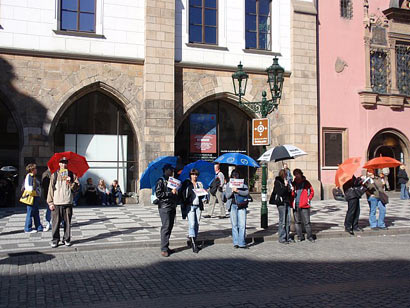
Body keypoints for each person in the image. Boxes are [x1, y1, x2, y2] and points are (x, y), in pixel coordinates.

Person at [47, 157, 80, 248]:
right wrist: (50, 202)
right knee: (55, 223)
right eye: (62, 162)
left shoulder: (72, 174)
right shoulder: (55, 175)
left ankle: (66, 239)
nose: (64, 164)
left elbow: (76, 189)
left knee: (67, 222)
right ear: (59, 164)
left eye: (65, 162)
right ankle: (55, 240)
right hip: (57, 202)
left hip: (68, 202)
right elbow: (50, 189)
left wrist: (70, 182)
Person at [155, 164, 178, 257]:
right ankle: (164, 249)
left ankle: (166, 246)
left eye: (172, 169)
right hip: (164, 206)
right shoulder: (161, 180)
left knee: (170, 226)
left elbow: (174, 194)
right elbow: (158, 194)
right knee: (166, 226)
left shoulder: (172, 181)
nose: (172, 171)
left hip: (172, 205)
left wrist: (176, 192)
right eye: (170, 169)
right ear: (166, 170)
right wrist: (169, 193)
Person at [181, 168, 205, 253]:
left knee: (197, 224)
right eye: (193, 174)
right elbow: (184, 195)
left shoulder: (199, 184)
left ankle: (193, 240)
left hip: (198, 206)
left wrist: (204, 194)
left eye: (196, 174)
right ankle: (194, 245)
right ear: (190, 175)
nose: (194, 176)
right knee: (192, 223)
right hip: (190, 206)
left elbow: (203, 196)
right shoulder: (187, 183)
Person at [225, 169, 249, 249]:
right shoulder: (229, 184)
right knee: (234, 225)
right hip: (233, 206)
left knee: (242, 225)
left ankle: (241, 242)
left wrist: (238, 191)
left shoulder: (243, 183)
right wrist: (232, 191)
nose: (235, 176)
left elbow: (246, 193)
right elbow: (227, 196)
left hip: (241, 205)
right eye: (234, 174)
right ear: (231, 176)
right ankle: (236, 242)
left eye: (237, 174)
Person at [291, 168, 315, 242]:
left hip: (304, 204)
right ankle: (300, 236)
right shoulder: (293, 183)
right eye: (295, 174)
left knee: (307, 221)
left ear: (301, 174)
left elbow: (312, 191)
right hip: (296, 204)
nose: (296, 176)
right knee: (297, 222)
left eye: (298, 174)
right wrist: (292, 191)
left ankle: (309, 236)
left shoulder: (306, 183)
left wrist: (308, 199)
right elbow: (291, 194)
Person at [270, 169, 292, 244]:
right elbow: (280, 192)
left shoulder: (286, 182)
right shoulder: (277, 182)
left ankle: (287, 236)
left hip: (287, 202)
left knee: (288, 220)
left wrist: (289, 188)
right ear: (283, 175)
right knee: (282, 220)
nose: (287, 176)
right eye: (286, 174)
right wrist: (285, 186)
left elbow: (287, 193)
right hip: (281, 203)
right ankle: (282, 237)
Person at [23, 163, 43, 233]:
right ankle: (28, 228)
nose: (36, 170)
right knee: (30, 212)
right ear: (32, 169)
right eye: (35, 168)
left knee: (35, 212)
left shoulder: (33, 176)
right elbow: (29, 187)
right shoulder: (30, 176)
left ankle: (39, 226)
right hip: (32, 196)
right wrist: (34, 191)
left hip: (35, 196)